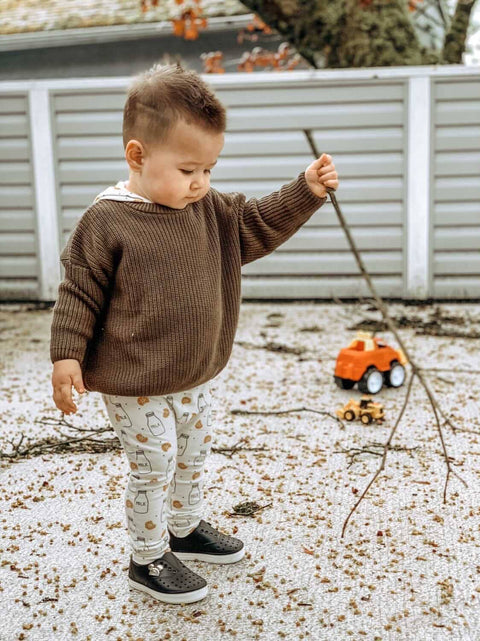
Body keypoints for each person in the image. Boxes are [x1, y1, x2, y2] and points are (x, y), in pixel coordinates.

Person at [50, 62, 339, 605]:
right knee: (154, 462)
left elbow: (256, 223)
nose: (202, 182)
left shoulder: (208, 209)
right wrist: (67, 354)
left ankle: (184, 528)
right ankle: (148, 556)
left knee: (192, 453)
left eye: (209, 168)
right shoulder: (108, 221)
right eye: (188, 169)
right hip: (135, 378)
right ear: (138, 156)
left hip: (195, 372)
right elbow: (79, 291)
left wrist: (305, 190)